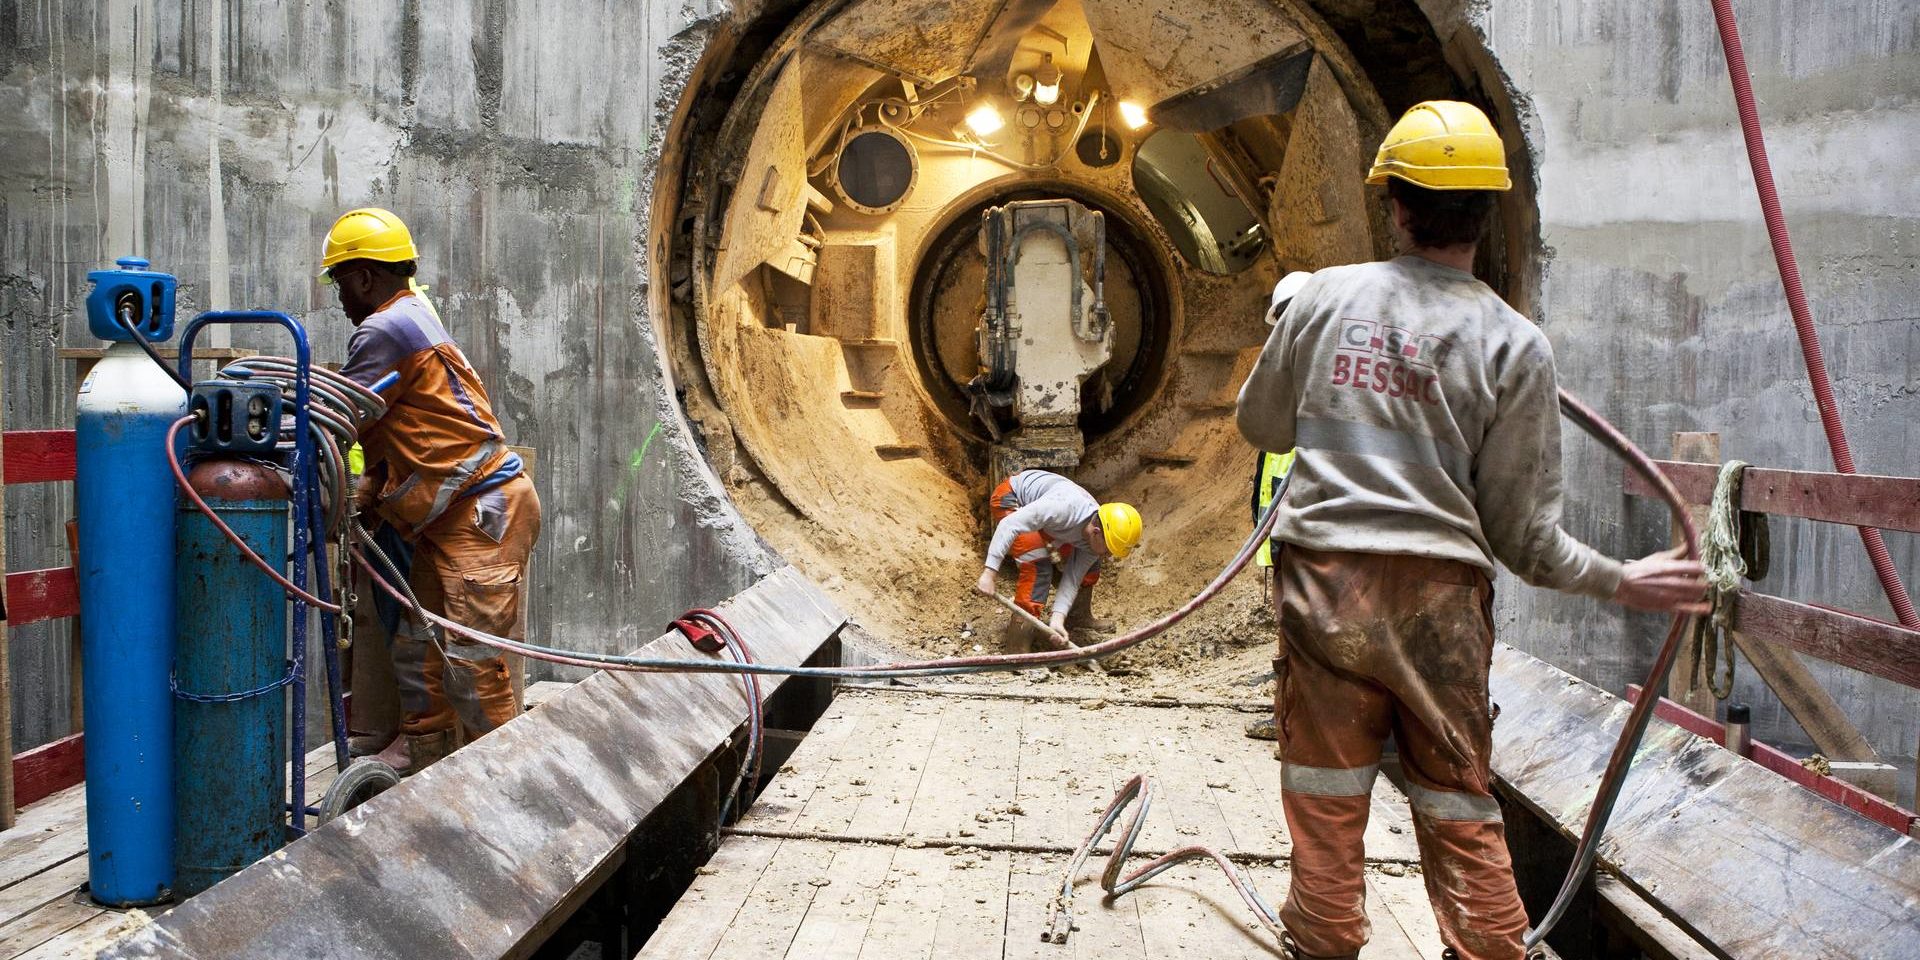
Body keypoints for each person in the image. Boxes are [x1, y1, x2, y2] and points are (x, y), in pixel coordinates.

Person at [1235, 102, 1707, 960]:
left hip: (1323, 579)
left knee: (1324, 786)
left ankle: (1325, 936)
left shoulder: (1323, 298)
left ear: (1395, 206)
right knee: (1456, 797)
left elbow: (1261, 426)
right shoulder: (1514, 343)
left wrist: (1301, 346)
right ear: (1488, 215)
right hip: (1440, 598)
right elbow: (1526, 541)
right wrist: (1622, 578)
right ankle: (1490, 946)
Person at [321, 207, 543, 775]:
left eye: (341, 283)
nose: (340, 299)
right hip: (454, 518)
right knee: (419, 654)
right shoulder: (416, 315)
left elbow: (340, 415)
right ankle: (426, 772)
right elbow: (404, 435)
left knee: (472, 667)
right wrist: (368, 493)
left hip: (480, 516)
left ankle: (503, 787)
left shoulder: (384, 328)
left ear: (365, 278)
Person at [975, 470, 1142, 642]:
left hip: (1047, 520)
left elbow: (1073, 578)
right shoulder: (1062, 509)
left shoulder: (1094, 537)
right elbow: (1009, 525)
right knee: (1039, 567)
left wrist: (1057, 619)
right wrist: (990, 572)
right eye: (1108, 549)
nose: (1108, 555)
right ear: (1096, 532)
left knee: (1091, 567)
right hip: (1012, 498)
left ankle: (1076, 618)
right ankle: (1017, 644)